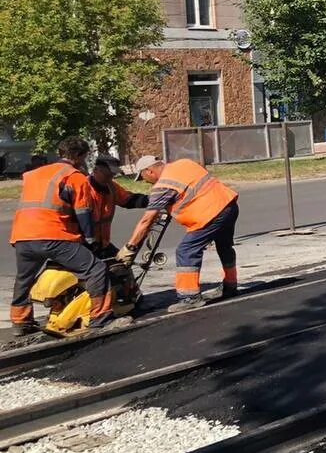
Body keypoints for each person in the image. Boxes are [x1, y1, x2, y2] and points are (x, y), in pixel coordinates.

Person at [8, 137, 114, 335]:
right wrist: (90, 241)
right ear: (80, 156)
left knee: (24, 279)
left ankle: (20, 322)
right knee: (96, 269)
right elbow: (83, 212)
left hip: (22, 236)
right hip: (53, 235)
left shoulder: (34, 174)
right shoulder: (75, 176)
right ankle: (101, 317)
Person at [121, 155, 239, 311]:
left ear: (149, 171)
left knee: (186, 251)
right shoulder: (184, 163)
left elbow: (146, 221)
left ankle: (189, 297)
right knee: (224, 247)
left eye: (142, 177)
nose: (145, 181)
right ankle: (230, 285)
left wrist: (130, 247)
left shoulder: (163, 185)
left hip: (210, 214)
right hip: (228, 204)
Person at [88, 154, 147, 258]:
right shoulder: (84, 187)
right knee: (99, 272)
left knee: (122, 267)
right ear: (96, 170)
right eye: (108, 174)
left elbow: (129, 200)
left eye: (113, 174)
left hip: (103, 244)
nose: (111, 177)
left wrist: (153, 200)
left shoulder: (111, 186)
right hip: (86, 245)